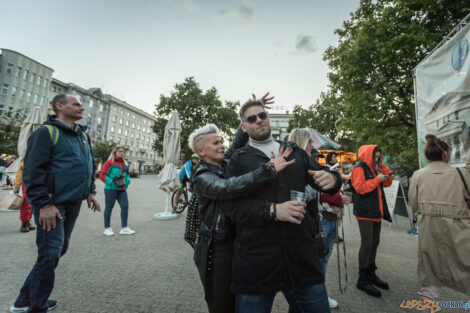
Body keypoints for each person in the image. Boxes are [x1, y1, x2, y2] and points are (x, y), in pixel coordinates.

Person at [223, 99, 342, 313]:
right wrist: (274, 211)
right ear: (244, 126)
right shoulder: (238, 161)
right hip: (256, 262)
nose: (259, 120)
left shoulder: (294, 152)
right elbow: (233, 209)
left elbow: (326, 176)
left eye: (262, 115)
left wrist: (333, 179)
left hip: (301, 259)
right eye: (252, 118)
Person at [190, 123, 304, 313]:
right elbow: (225, 188)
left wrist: (246, 123)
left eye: (221, 141)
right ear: (201, 151)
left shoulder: (225, 162)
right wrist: (268, 169)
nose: (222, 146)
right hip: (216, 248)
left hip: (237, 242)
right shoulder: (202, 175)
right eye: (216, 143)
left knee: (240, 300)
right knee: (222, 303)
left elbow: (236, 143)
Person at [9, 94, 100, 313]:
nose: (82, 108)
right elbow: (32, 172)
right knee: (49, 254)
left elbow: (88, 165)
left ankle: (24, 301)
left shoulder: (81, 136)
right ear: (60, 107)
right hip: (52, 205)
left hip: (73, 203)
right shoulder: (45, 133)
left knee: (57, 251)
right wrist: (44, 205)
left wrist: (90, 191)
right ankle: (36, 306)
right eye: (76, 104)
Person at [408, 134, 470, 310]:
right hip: (461, 232)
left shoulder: (418, 175)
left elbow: (414, 205)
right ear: (445, 154)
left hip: (429, 233)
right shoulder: (462, 174)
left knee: (430, 281)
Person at [350, 145, 392, 298]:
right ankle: (362, 279)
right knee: (367, 243)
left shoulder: (376, 168)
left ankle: (371, 273)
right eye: (375, 157)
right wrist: (376, 179)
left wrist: (382, 166)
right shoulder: (359, 169)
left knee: (375, 243)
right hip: (365, 213)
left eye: (379, 157)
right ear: (368, 155)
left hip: (376, 212)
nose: (377, 159)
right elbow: (360, 188)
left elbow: (387, 183)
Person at [99, 145, 133, 236]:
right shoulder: (109, 163)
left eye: (123, 151)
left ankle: (124, 228)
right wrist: (113, 182)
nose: (121, 153)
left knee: (125, 206)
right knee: (109, 208)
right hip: (110, 189)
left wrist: (127, 182)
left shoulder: (125, 164)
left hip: (122, 189)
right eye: (120, 151)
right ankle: (107, 228)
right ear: (115, 152)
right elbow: (102, 175)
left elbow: (127, 175)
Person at [14, 159, 35, 233]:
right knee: (26, 204)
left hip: (37, 184)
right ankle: (24, 222)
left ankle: (28, 221)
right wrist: (17, 185)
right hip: (27, 184)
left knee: (33, 204)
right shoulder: (25, 158)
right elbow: (20, 172)